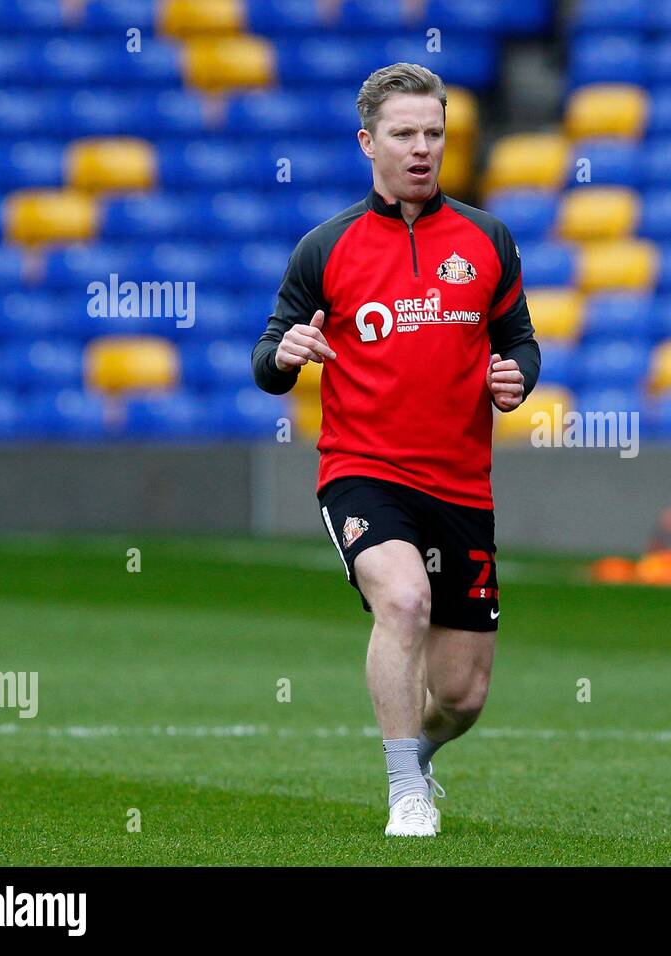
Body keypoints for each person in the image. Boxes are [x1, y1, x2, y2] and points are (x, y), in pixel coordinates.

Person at [252, 63, 541, 837]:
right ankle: (403, 790)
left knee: (462, 695)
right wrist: (287, 354)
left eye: (434, 134)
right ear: (367, 142)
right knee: (404, 600)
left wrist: (518, 378)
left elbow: (518, 342)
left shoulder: (487, 239)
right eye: (404, 134)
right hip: (362, 473)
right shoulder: (326, 247)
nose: (422, 149)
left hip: (460, 485)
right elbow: (267, 358)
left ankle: (421, 754)